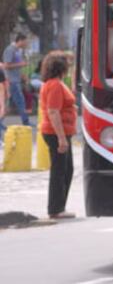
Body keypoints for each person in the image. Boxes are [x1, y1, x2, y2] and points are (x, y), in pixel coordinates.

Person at [39, 52, 78, 219]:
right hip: (56, 133)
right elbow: (53, 111)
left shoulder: (53, 83)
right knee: (60, 170)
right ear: (61, 68)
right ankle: (56, 208)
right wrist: (61, 138)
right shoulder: (55, 85)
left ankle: (59, 206)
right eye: (67, 65)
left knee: (66, 169)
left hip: (59, 131)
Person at [3, 33, 31, 126]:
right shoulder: (10, 50)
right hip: (11, 80)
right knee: (19, 101)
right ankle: (25, 121)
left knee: (9, 103)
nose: (26, 44)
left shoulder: (17, 51)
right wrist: (21, 64)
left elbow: (15, 67)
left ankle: (25, 120)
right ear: (20, 40)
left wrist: (22, 75)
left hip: (15, 79)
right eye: (25, 42)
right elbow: (6, 65)